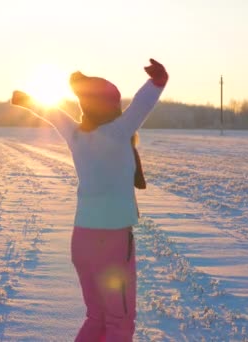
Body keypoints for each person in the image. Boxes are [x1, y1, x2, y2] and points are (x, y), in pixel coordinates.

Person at [11, 59, 168, 342]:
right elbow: (142, 106)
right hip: (113, 242)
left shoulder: (76, 135)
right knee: (120, 321)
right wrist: (158, 80)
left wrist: (26, 100)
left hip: (81, 240)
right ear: (111, 106)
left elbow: (54, 114)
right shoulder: (119, 132)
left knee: (96, 317)